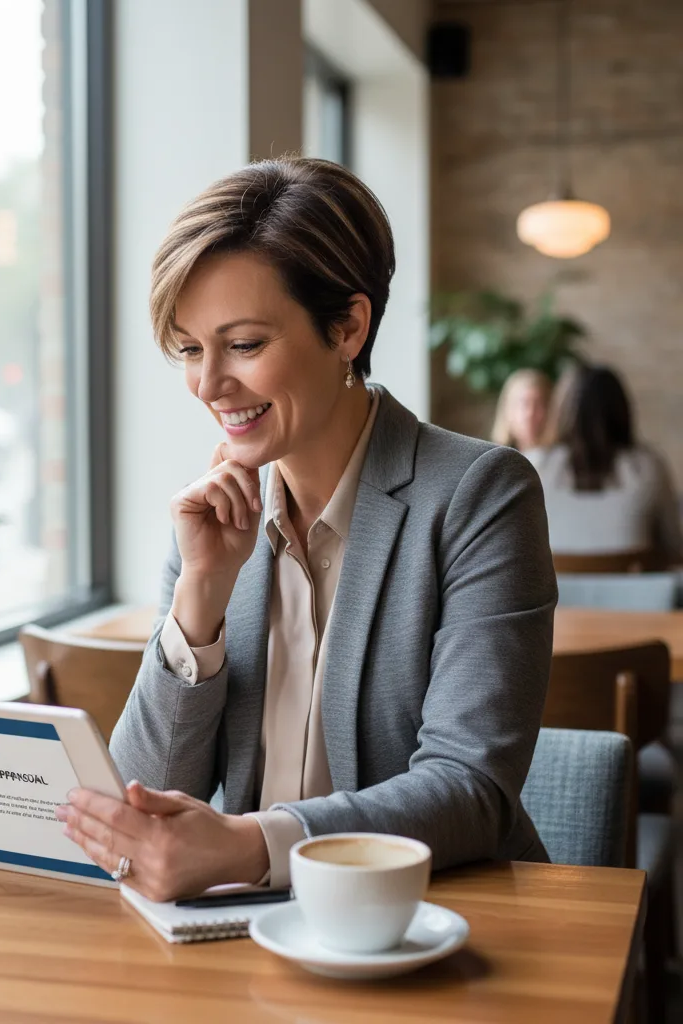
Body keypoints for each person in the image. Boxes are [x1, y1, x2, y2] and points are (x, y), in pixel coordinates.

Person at [56, 158, 557, 902]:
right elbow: (147, 797)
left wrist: (248, 844)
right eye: (191, 349)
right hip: (250, 932)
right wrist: (199, 598)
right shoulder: (213, 516)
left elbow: (471, 788)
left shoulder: (479, 495)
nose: (208, 383)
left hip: (433, 920)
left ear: (348, 326)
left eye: (245, 344)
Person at [526, 365, 683, 562]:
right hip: (634, 591)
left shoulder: (533, 465)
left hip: (559, 592)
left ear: (561, 411)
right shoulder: (649, 466)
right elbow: (673, 547)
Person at [491, 369, 551, 451]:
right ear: (507, 409)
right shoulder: (494, 456)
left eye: (538, 404)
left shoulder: (564, 457)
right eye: (524, 404)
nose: (530, 413)